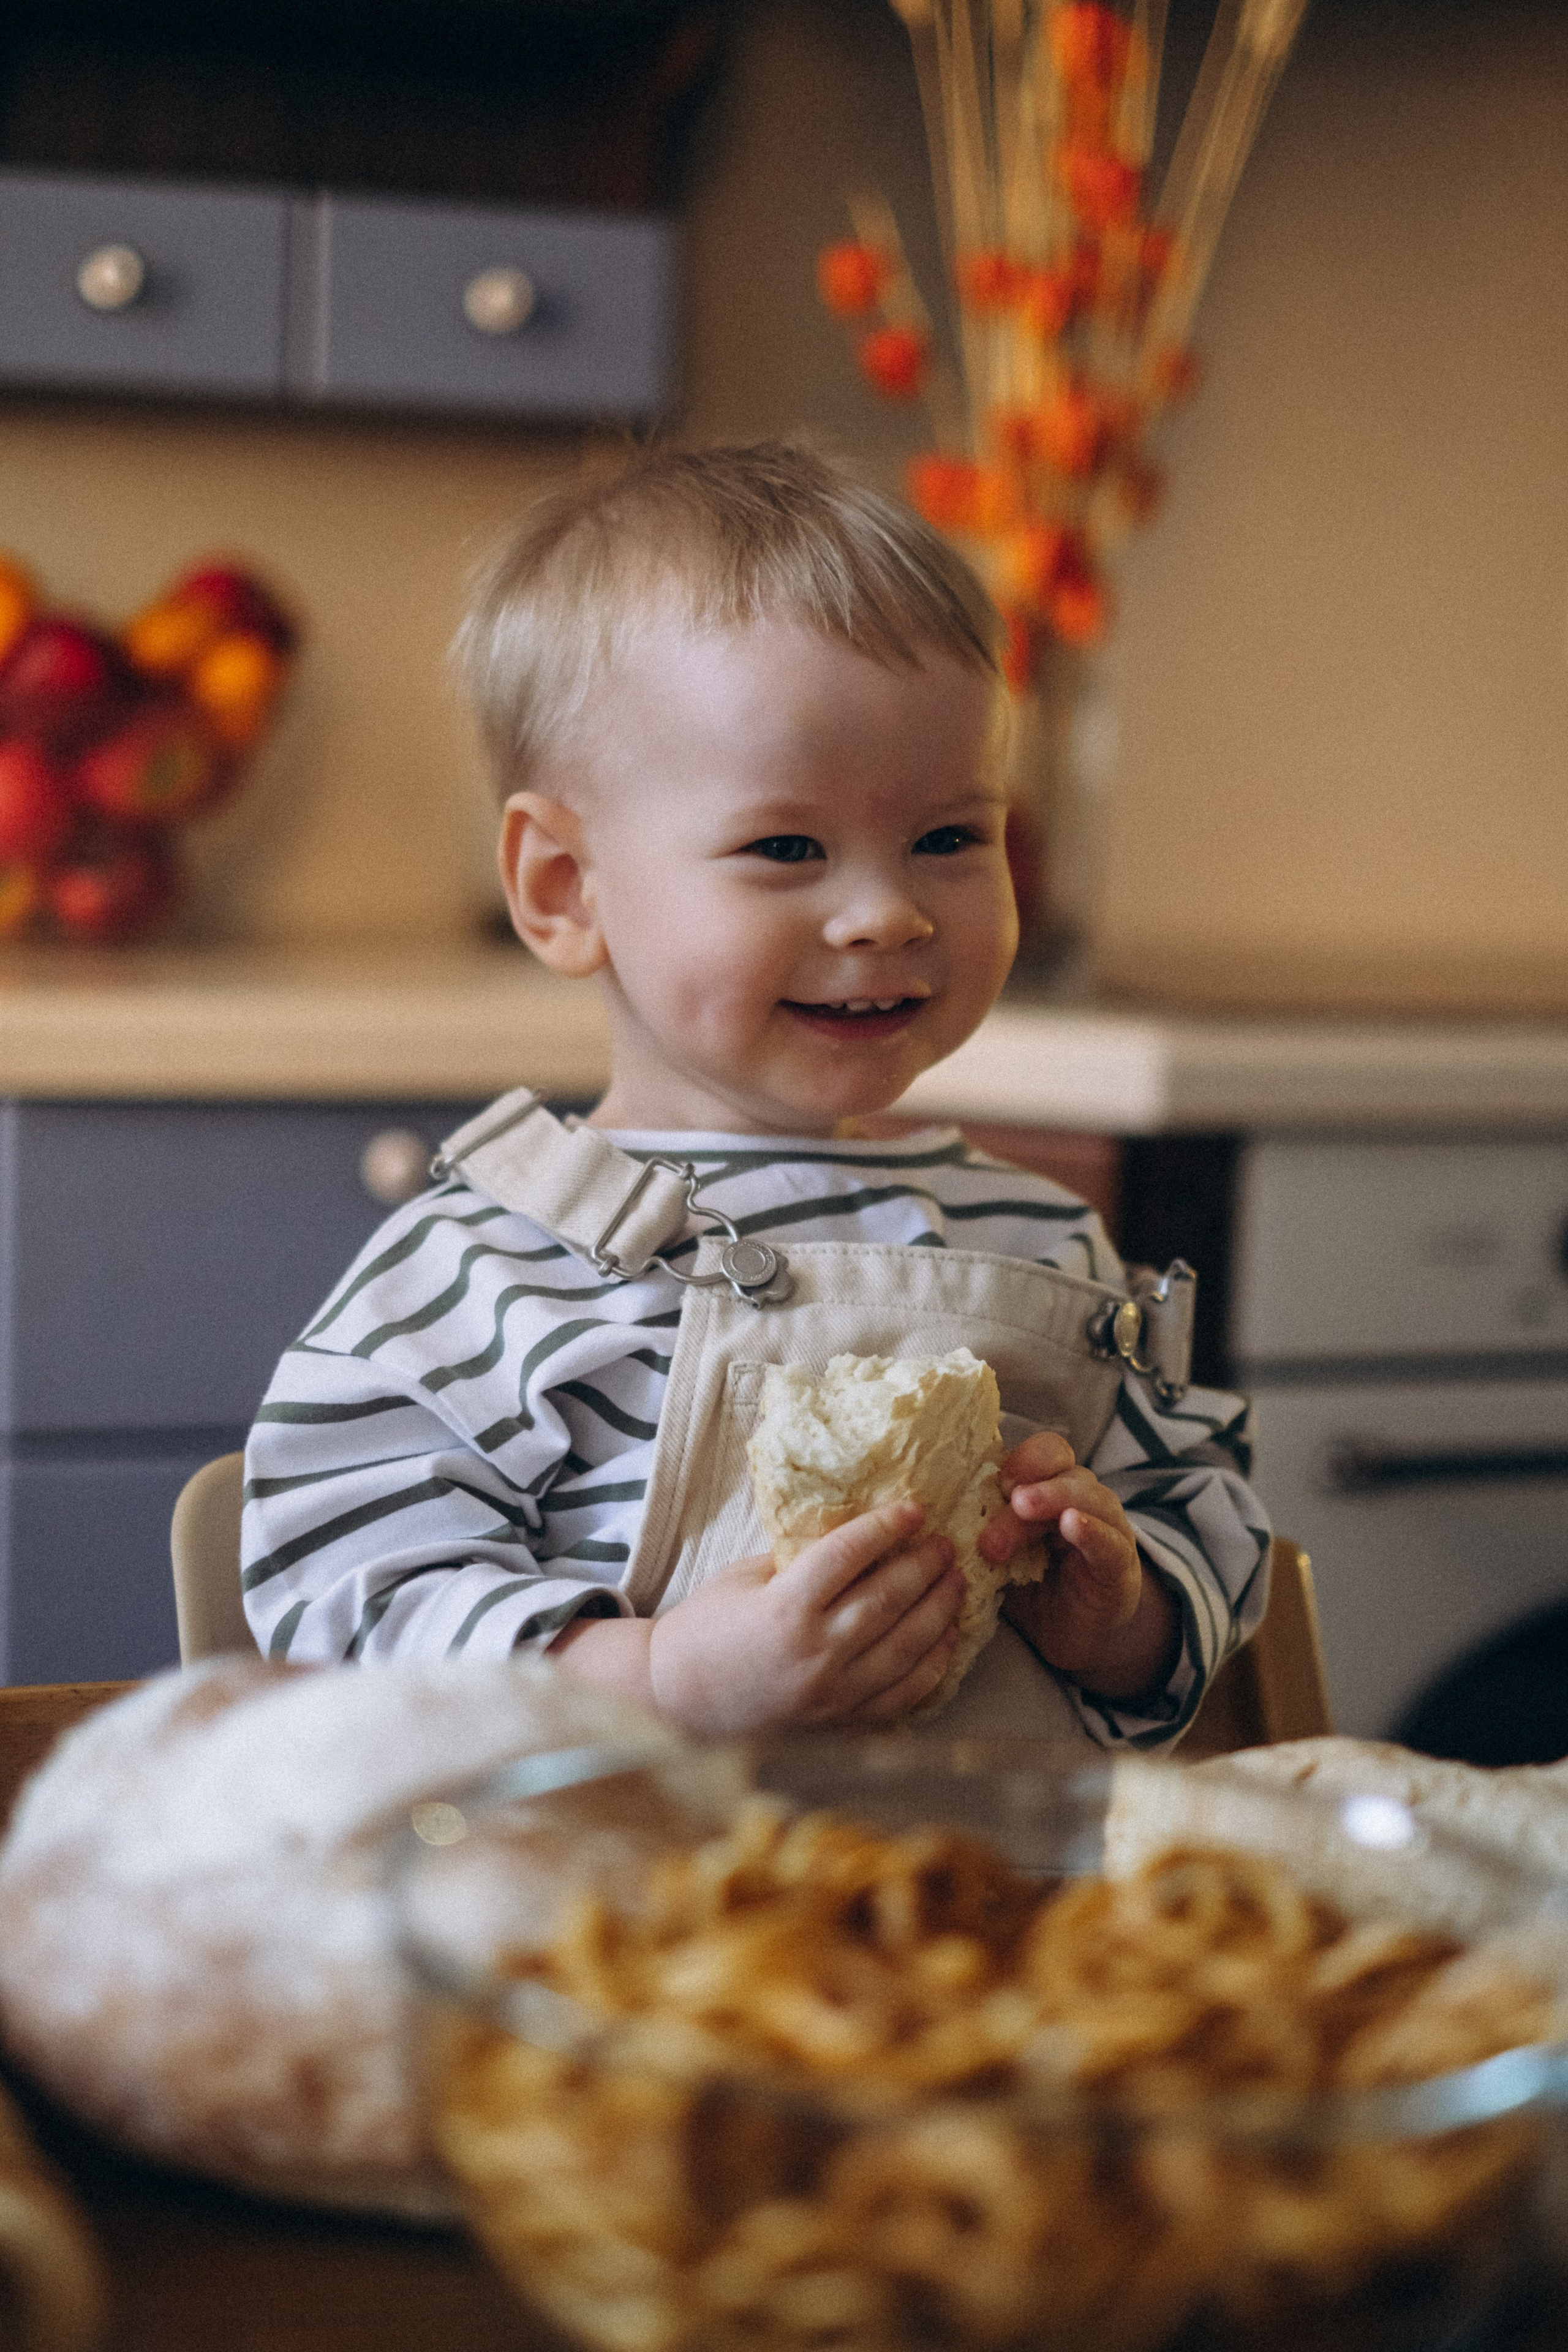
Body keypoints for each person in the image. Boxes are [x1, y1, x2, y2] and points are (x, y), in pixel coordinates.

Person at [242, 440, 1269, 1746]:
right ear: (566, 888)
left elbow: (1204, 1514)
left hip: (998, 1931)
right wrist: (659, 1678)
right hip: (612, 1936)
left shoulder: (1041, 1243)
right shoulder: (488, 1269)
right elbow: (342, 1613)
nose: (886, 912)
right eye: (785, 846)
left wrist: (1122, 1620)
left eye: (949, 839)